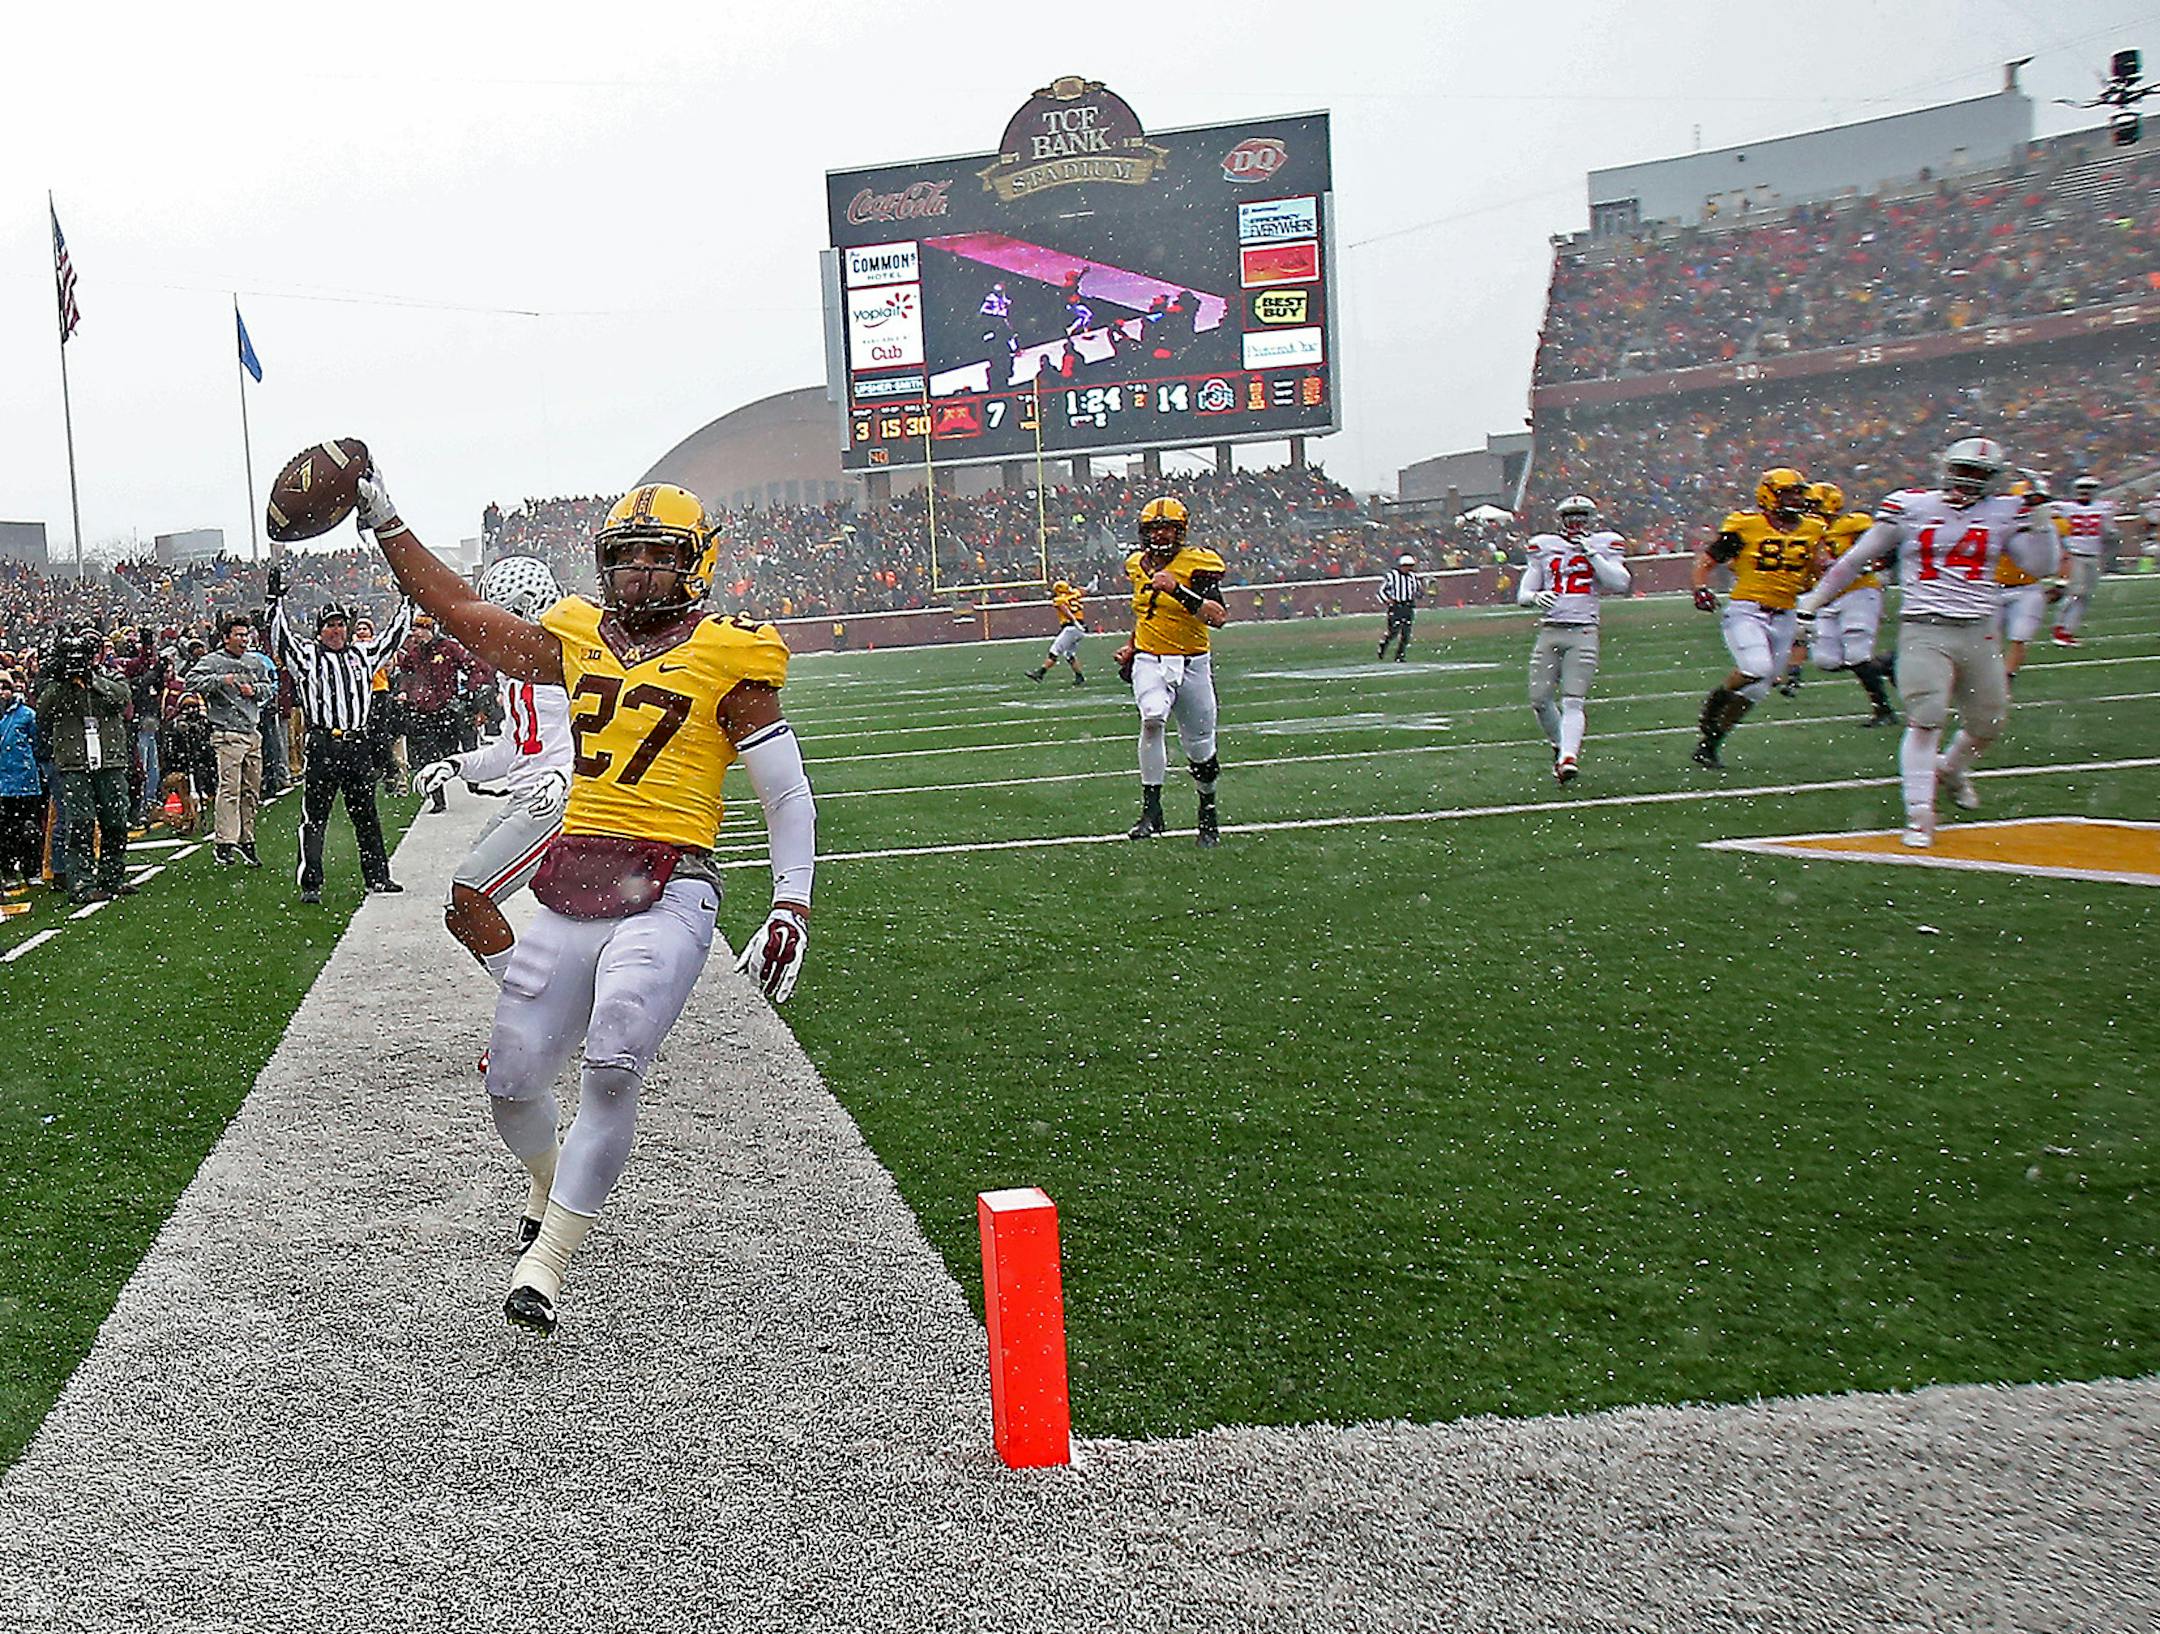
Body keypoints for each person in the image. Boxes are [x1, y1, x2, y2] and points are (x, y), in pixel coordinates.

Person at [359, 467, 818, 1338]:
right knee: (513, 1082)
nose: (640, 574)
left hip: (671, 886)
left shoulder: (731, 653)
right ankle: (547, 1183)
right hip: (577, 886)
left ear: (696, 566)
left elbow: (787, 798)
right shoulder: (577, 635)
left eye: (659, 558)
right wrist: (386, 522)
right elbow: (465, 617)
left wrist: (791, 904)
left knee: (611, 1063)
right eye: (627, 558)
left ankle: (549, 1259)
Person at [1799, 437, 2057, 848]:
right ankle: (1919, 812)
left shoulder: (2005, 510)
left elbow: (2040, 566)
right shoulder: (1912, 505)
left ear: (1993, 479)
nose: (1967, 480)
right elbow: (1855, 559)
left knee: (1988, 723)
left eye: (1978, 474)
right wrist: (1812, 601)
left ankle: (1951, 769)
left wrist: (2041, 519)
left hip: (1978, 627)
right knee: (1927, 716)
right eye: (1962, 470)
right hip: (1924, 626)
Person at [411, 556, 573, 993]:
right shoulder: (516, 669)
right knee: (457, 910)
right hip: (525, 795)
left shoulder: (571, 655)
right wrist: (457, 763)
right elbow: (512, 749)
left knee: (470, 894)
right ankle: (534, 996)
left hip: (558, 802)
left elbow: (600, 736)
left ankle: (528, 1005)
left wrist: (563, 777)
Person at [268, 574, 414, 903]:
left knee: (366, 814)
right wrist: (275, 603)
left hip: (356, 745)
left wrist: (406, 602)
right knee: (315, 817)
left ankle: (378, 877)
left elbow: (392, 639)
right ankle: (311, 883)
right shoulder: (308, 657)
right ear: (320, 630)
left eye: (340, 625)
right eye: (330, 625)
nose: (337, 631)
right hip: (323, 745)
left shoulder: (362, 655)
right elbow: (282, 641)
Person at [1690, 467, 1825, 768]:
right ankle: (1716, 701)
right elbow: (1708, 560)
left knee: (1757, 690)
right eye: (1787, 493)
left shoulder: (1813, 528)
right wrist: (1700, 588)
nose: (1794, 499)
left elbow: (1816, 570)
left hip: (1785, 613)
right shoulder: (1747, 525)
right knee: (1755, 668)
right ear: (1768, 494)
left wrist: (1822, 579)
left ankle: (1709, 745)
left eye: (1797, 493)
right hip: (1748, 609)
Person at [1114, 496, 1229, 846]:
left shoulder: (1198, 564)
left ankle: (1207, 813)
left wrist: (1179, 591)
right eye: (1154, 529)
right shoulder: (1136, 564)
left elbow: (1218, 617)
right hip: (1150, 658)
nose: (1160, 535)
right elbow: (1146, 613)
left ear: (1181, 531)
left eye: (1167, 528)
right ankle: (1152, 810)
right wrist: (1132, 646)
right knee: (1152, 718)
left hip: (1193, 662)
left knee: (1201, 748)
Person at [1517, 495, 1630, 783]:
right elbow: (1523, 594)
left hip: (1583, 631)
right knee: (1540, 699)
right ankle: (1559, 746)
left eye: (1582, 515)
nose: (1576, 522)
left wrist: (1593, 555)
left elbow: (1619, 583)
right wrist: (1534, 597)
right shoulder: (1544, 547)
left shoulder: (1605, 544)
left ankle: (1569, 757)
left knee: (1573, 700)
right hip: (1550, 629)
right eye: (1571, 515)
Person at [35, 627, 134, 905]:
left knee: (115, 819)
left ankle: (112, 876)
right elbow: (43, 710)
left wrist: (92, 680)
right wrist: (65, 680)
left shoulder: (109, 675)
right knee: (80, 823)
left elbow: (122, 697)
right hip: (74, 763)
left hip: (110, 759)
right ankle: (81, 882)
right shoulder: (55, 684)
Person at [1801, 482, 1897, 725]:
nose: (1807, 509)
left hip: (1859, 592)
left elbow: (1889, 544)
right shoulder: (1805, 529)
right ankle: (1887, 663)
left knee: (1857, 654)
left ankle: (1883, 711)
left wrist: (1878, 564)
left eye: (1813, 504)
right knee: (1826, 661)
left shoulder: (1853, 523)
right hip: (1825, 598)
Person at [185, 614, 268, 867]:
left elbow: (268, 686)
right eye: (239, 635)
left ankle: (247, 838)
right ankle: (225, 841)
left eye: (246, 635)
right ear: (226, 638)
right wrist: (221, 680)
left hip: (251, 730)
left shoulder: (254, 662)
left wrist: (254, 691)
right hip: (226, 732)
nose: (244, 639)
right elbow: (191, 681)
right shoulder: (213, 661)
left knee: (251, 790)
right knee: (230, 789)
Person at [396, 613, 484, 812]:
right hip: (424, 712)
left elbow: (472, 667)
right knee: (430, 756)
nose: (414, 633)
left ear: (428, 629)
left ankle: (472, 779)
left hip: (448, 710)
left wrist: (469, 691)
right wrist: (405, 691)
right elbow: (406, 675)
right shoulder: (414, 653)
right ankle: (438, 800)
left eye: (417, 629)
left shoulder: (448, 648)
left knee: (452, 752)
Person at [1997, 481, 2068, 684]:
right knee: (1987, 638)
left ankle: (2007, 676)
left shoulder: (2048, 527)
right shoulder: (1998, 523)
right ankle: (1991, 676)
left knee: (2021, 636)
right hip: (1994, 587)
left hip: (2027, 587)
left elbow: (2062, 555)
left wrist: (2061, 582)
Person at [2051, 474, 2112, 647]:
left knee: (2085, 596)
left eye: (2090, 489)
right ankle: (2060, 628)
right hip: (2075, 555)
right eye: (2083, 489)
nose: (2086, 492)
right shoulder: (2064, 507)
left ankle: (2068, 630)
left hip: (2093, 555)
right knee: (2075, 594)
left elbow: (2109, 531)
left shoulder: (2103, 508)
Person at [0, 674, 42, 889]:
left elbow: (37, 744)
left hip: (24, 781)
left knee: (28, 828)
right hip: (3, 784)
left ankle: (31, 869)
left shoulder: (26, 715)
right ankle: (7, 872)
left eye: (4, 687)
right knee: (5, 832)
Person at [1026, 577, 1093, 684]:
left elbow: (1066, 611)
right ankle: (1079, 676)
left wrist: (1075, 622)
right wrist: (1092, 584)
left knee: (1054, 651)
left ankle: (1040, 674)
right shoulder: (1075, 593)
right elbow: (1084, 590)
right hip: (1080, 628)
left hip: (1071, 627)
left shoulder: (1059, 600)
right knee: (1069, 654)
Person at [1377, 553, 1420, 661]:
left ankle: (1400, 655)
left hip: (1408, 606)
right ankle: (1384, 644)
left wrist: (1418, 594)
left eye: (1410, 566)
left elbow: (1417, 590)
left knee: (1406, 633)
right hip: (1396, 606)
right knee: (1394, 631)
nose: (1408, 568)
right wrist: (1387, 600)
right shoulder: (1392, 576)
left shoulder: (1413, 577)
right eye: (1407, 566)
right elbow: (1381, 591)